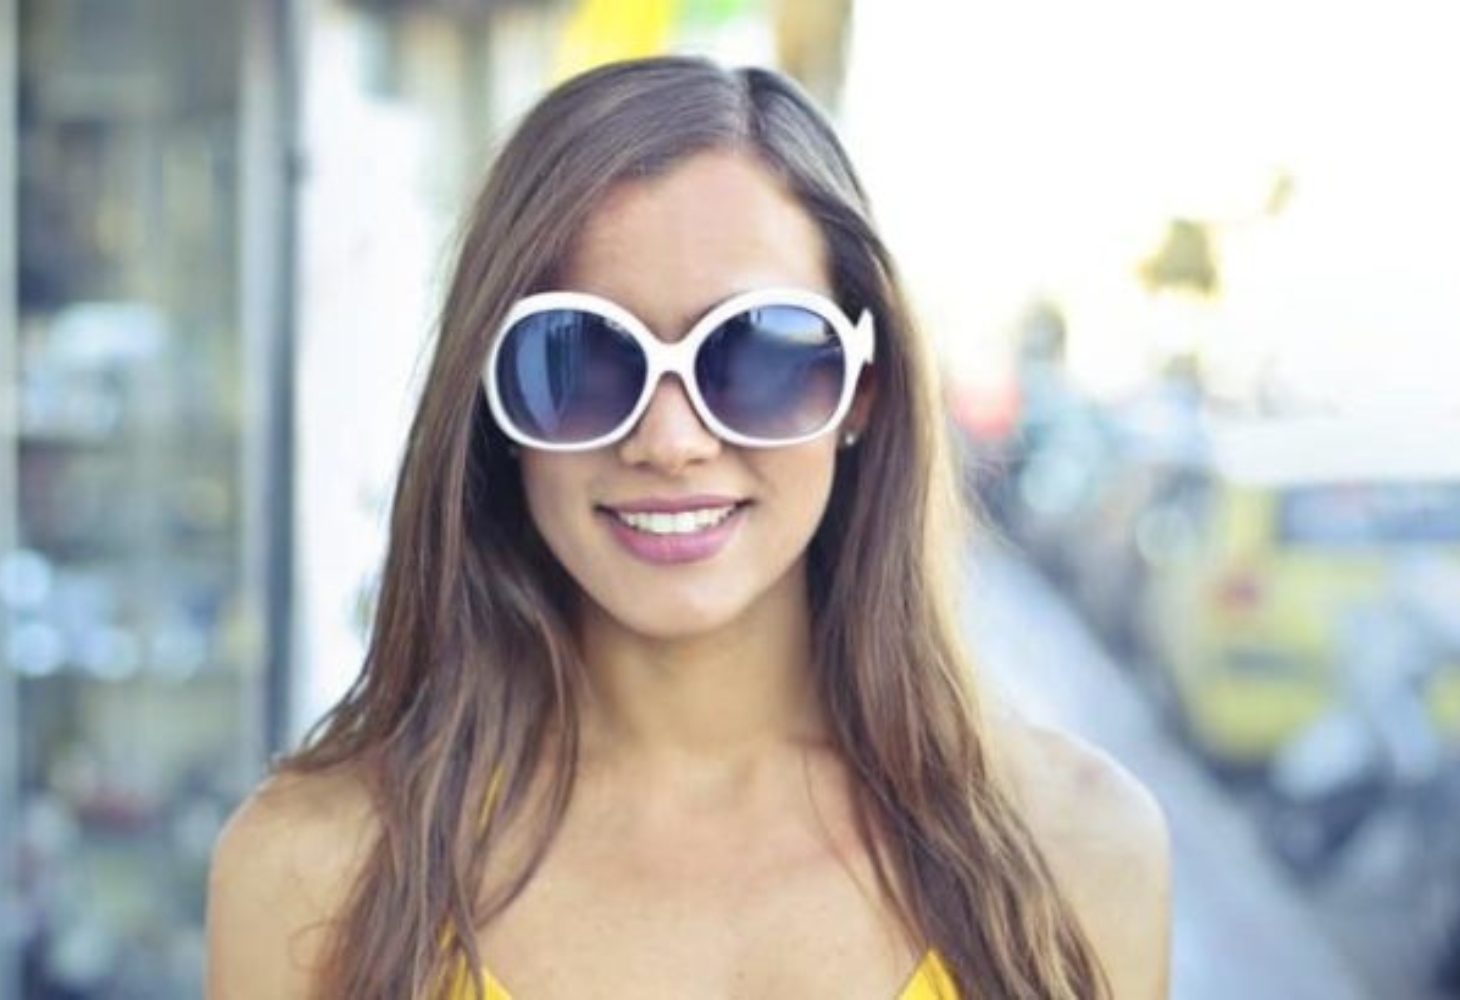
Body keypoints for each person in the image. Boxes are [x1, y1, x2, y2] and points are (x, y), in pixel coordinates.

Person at [206, 56, 1171, 1000]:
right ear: (492, 404)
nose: (670, 442)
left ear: (861, 394)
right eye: (580, 358)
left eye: (760, 353)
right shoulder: (313, 873)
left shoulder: (1077, 857)